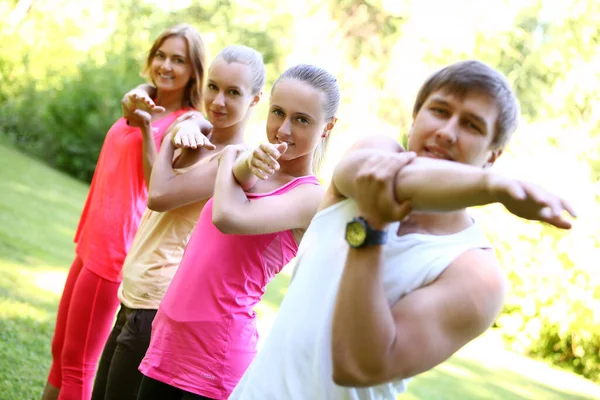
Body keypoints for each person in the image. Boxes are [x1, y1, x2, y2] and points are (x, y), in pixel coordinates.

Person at [228, 60, 577, 400]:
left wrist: (372, 228)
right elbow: (390, 181)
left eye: (471, 125)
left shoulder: (476, 276)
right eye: (439, 111)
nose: (447, 131)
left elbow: (357, 368)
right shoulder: (373, 152)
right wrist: (492, 187)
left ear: (492, 155)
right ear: (414, 120)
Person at [135, 64, 340, 400]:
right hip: (169, 338)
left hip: (216, 355)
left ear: (327, 127)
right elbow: (161, 195)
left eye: (302, 119)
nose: (284, 129)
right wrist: (185, 130)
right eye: (278, 113)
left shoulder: (310, 195)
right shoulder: (246, 167)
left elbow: (228, 217)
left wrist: (230, 154)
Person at [41, 24, 211, 400]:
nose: (166, 65)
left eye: (178, 60)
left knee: (78, 365)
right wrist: (140, 103)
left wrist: (148, 126)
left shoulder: (184, 123)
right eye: (161, 55)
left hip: (114, 250)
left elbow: (157, 188)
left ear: (194, 71)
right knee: (60, 353)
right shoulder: (143, 99)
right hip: (90, 240)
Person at [90, 45, 266, 400]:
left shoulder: (233, 161)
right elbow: (154, 180)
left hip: (157, 300)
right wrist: (152, 130)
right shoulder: (197, 138)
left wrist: (173, 132)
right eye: (213, 87)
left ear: (255, 99)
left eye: (233, 93)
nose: (217, 101)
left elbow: (159, 196)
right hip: (135, 291)